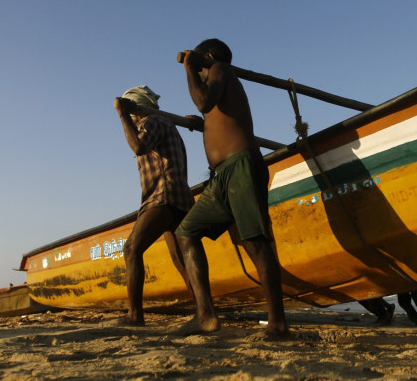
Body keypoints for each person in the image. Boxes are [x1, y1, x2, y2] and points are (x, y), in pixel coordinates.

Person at [175, 39, 289, 338]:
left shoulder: (220, 69)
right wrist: (200, 125)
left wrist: (189, 65)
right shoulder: (215, 81)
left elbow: (203, 102)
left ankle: (277, 324)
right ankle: (206, 316)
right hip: (221, 177)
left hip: (241, 166)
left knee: (256, 242)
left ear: (207, 58)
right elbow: (214, 114)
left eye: (199, 65)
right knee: (186, 234)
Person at [113, 86, 195, 326]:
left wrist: (121, 115)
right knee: (181, 259)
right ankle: (204, 310)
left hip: (164, 195)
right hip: (178, 197)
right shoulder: (165, 122)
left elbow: (138, 146)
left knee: (131, 249)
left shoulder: (152, 121)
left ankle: (135, 315)